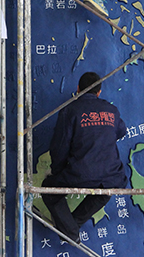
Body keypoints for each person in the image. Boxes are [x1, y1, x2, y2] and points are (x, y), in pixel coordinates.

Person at [43, 71, 128, 242]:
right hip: (112, 175)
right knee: (105, 192)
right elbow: (121, 131)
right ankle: (71, 228)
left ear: (78, 89)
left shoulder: (70, 111)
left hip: (81, 172)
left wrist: (58, 171)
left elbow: (60, 146)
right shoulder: (111, 110)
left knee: (49, 189)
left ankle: (70, 231)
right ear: (99, 92)